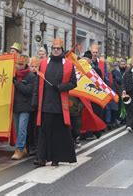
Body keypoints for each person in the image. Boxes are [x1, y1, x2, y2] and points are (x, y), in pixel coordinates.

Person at [34, 38, 77, 167]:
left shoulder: (68, 64)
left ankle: (56, 158)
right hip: (46, 103)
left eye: (58, 49)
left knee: (58, 133)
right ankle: (41, 158)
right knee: (44, 131)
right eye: (54, 49)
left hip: (59, 104)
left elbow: (73, 83)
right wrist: (35, 100)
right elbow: (37, 82)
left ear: (62, 50)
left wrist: (61, 87)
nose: (56, 51)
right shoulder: (43, 63)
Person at [11, 55, 36, 160]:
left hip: (26, 107)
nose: (18, 66)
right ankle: (23, 147)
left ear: (25, 64)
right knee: (17, 129)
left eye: (21, 64)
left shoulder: (31, 76)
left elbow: (28, 91)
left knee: (22, 128)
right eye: (17, 64)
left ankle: (20, 149)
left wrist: (17, 83)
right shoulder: (14, 74)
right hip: (16, 105)